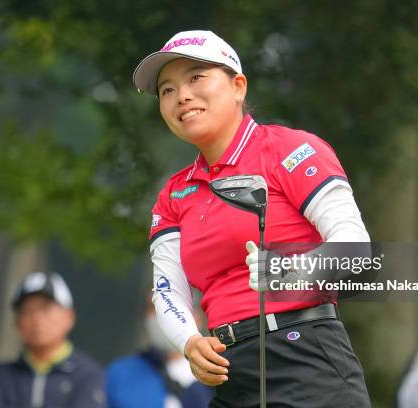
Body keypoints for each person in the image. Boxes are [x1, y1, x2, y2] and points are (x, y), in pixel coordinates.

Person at [133, 30, 371, 407]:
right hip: (230, 373)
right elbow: (166, 289)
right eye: (167, 90)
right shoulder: (172, 195)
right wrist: (190, 342)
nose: (182, 96)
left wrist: (291, 274)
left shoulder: (289, 149)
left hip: (306, 357)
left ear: (238, 86)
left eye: (196, 77)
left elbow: (354, 244)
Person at [0, 272, 106, 408]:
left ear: (69, 317)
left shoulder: (88, 375)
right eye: (28, 311)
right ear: (16, 323)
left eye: (46, 309)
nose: (37, 320)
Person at [106, 298, 213, 408]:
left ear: (198, 319)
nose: (162, 315)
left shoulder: (218, 372)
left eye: (172, 307)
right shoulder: (121, 374)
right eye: (154, 307)